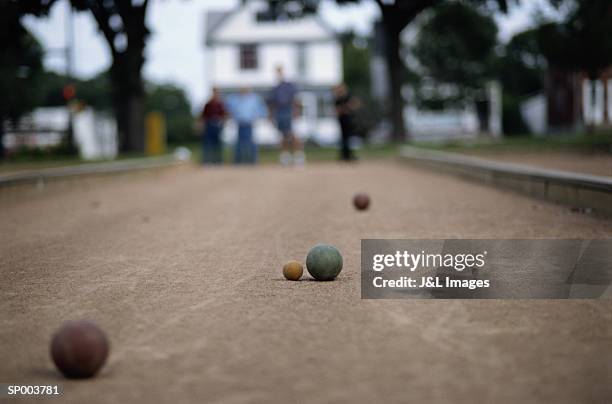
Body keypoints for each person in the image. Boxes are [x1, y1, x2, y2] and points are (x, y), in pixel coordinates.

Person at [269, 66, 305, 166]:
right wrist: (271, 116)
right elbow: (272, 103)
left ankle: (298, 156)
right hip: (279, 112)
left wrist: (296, 112)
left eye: (280, 72)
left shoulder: (289, 86)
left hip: (288, 111)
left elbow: (296, 100)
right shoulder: (275, 88)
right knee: (282, 135)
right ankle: (285, 157)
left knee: (292, 134)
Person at [226, 87, 268, 164]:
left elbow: (262, 110)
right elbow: (229, 109)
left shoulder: (254, 99)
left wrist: (256, 117)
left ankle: (253, 160)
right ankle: (238, 161)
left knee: (250, 143)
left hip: (249, 123)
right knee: (239, 144)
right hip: (240, 123)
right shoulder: (235, 99)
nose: (243, 92)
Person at [200, 88, 227, 164]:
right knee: (208, 144)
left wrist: (223, 124)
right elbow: (203, 116)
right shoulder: (208, 104)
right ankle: (207, 160)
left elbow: (224, 115)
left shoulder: (221, 104)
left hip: (218, 125)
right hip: (209, 125)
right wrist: (201, 126)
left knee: (218, 145)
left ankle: (218, 161)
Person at [333, 83, 360, 161]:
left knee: (349, 138)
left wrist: (346, 108)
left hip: (349, 120)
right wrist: (345, 109)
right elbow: (338, 110)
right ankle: (344, 155)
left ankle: (349, 154)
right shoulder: (338, 99)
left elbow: (355, 104)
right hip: (342, 120)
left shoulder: (348, 96)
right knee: (343, 138)